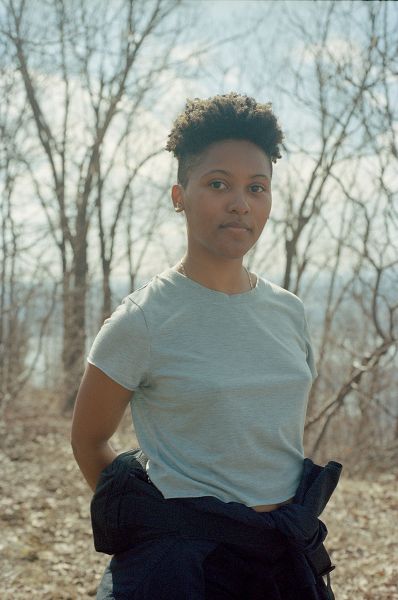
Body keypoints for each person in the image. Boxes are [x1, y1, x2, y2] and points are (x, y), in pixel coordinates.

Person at [71, 92, 338, 599]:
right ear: (179, 196)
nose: (240, 203)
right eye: (218, 184)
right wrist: (156, 525)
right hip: (184, 567)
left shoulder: (289, 311)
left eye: (256, 187)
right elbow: (88, 438)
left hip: (283, 557)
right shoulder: (143, 320)